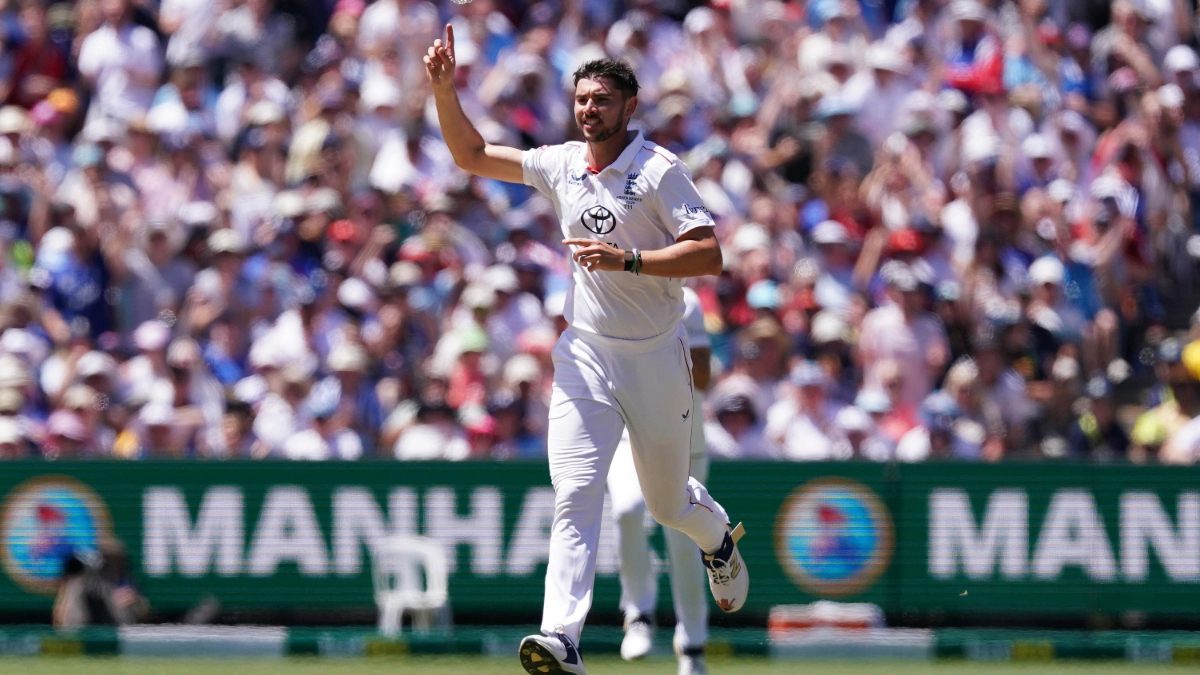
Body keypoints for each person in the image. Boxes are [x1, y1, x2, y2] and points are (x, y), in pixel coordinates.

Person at [424, 27, 748, 675]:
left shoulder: (659, 170)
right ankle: (562, 637)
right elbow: (471, 154)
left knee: (666, 505)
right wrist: (443, 88)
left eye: (601, 99)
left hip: (655, 356)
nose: (589, 109)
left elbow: (709, 254)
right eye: (581, 99)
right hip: (585, 353)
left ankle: (716, 537)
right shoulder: (562, 163)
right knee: (575, 490)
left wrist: (630, 260)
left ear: (630, 106)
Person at [607, 287, 714, 675]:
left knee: (682, 542)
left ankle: (692, 645)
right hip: (627, 432)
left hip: (683, 440)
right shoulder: (612, 297)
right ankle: (638, 614)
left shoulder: (689, 303)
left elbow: (703, 378)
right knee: (626, 510)